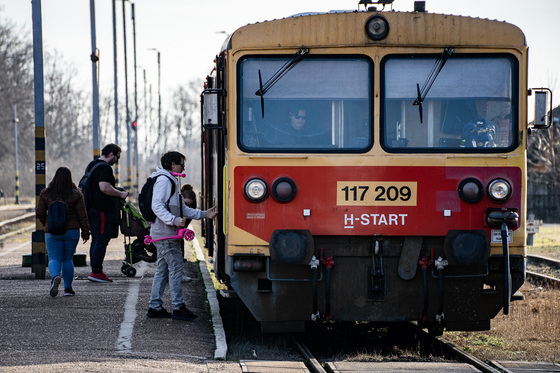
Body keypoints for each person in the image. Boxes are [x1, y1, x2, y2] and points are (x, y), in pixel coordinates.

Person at [146, 151, 218, 321]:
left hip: (164, 233)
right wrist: (173, 220)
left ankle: (155, 306)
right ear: (172, 164)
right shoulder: (164, 181)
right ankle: (178, 307)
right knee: (176, 267)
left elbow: (181, 208)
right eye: (181, 164)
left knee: (163, 271)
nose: (183, 167)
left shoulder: (171, 180)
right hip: (165, 234)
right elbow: (156, 205)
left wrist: (202, 214)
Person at [36, 167, 90, 297]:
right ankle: (68, 289)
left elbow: (40, 212)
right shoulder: (76, 194)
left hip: (52, 231)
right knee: (67, 259)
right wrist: (85, 232)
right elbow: (82, 215)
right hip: (71, 231)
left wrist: (46, 223)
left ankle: (55, 277)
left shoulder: (46, 193)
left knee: (54, 257)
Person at [83, 144, 128, 283]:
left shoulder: (92, 165)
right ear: (111, 154)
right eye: (117, 157)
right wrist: (120, 193)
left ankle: (96, 270)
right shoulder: (105, 168)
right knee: (101, 240)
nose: (117, 160)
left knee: (96, 240)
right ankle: (96, 272)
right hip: (101, 209)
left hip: (91, 209)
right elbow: (104, 187)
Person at [179, 184, 197, 282]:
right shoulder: (174, 203)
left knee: (180, 248)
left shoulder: (191, 209)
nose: (187, 207)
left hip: (178, 232)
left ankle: (178, 273)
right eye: (185, 204)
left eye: (189, 205)